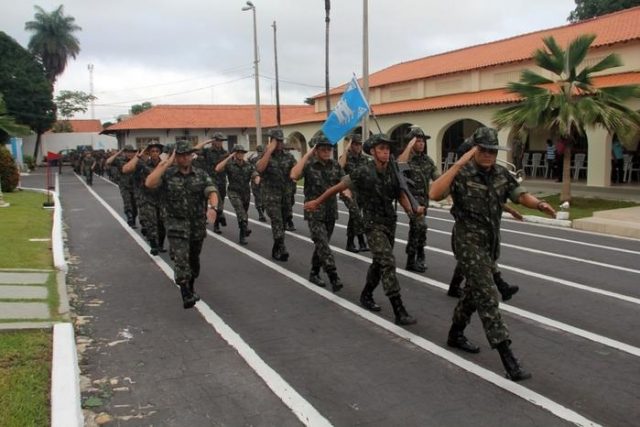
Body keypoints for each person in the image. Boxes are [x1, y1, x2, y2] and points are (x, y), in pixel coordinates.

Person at [429, 127, 556, 381]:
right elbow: (434, 193)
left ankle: (455, 333)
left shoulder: (500, 173)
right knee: (487, 297)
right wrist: (459, 162)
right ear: (475, 150)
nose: (488, 155)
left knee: (472, 294)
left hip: (489, 243)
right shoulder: (462, 173)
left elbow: (519, 194)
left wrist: (539, 204)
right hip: (467, 242)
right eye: (484, 150)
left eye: (492, 151)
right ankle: (509, 360)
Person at [305, 134, 426, 325]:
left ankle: (366, 294)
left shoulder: (393, 170)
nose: (386, 152)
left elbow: (400, 193)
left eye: (387, 149)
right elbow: (338, 187)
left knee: (379, 263)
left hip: (389, 222)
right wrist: (317, 202)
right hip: (372, 223)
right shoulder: (363, 171)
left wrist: (412, 210)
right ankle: (399, 309)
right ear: (372, 151)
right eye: (381, 148)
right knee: (387, 261)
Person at [145, 141, 219, 309]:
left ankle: (190, 285)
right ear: (175, 157)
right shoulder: (167, 174)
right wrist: (165, 164)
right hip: (175, 224)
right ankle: (185, 291)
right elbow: (149, 183)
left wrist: (213, 207)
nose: (185, 158)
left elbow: (211, 190)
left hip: (196, 225)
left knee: (193, 261)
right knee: (181, 258)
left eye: (187, 154)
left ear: (191, 156)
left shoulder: (200, 174)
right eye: (180, 155)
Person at [291, 133, 346, 292]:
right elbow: (294, 175)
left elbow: (344, 183)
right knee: (322, 243)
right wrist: (307, 154)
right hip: (314, 212)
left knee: (322, 245)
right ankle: (333, 275)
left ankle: (314, 272)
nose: (327, 152)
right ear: (316, 150)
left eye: (329, 149)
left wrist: (347, 193)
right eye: (323, 149)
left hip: (330, 212)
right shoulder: (308, 164)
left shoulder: (335, 165)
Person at [397, 128, 439, 272]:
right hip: (410, 200)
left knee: (418, 229)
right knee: (420, 226)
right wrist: (408, 147)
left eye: (423, 141)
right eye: (418, 141)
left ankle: (416, 257)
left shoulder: (427, 160)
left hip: (423, 201)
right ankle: (416, 257)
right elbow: (399, 166)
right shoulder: (406, 159)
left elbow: (437, 177)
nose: (421, 144)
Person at [256, 129, 297, 261]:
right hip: (271, 196)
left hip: (285, 195)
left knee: (283, 222)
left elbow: (297, 171)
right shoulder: (265, 155)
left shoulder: (288, 157)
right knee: (277, 220)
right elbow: (259, 169)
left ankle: (276, 247)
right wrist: (269, 151)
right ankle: (282, 248)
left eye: (281, 141)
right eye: (277, 141)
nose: (279, 143)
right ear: (271, 141)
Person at [122, 143, 167, 255]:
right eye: (152, 151)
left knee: (162, 223)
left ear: (160, 153)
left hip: (161, 197)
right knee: (150, 221)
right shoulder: (142, 164)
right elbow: (126, 169)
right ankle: (153, 244)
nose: (155, 153)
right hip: (147, 197)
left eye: (157, 151)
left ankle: (160, 245)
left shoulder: (164, 164)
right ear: (149, 153)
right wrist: (138, 156)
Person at [215, 144, 257, 245]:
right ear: (234, 154)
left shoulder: (248, 165)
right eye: (238, 152)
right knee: (240, 210)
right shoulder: (230, 165)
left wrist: (257, 178)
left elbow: (255, 174)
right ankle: (245, 229)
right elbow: (218, 168)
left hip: (245, 193)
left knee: (244, 214)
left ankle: (242, 235)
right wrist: (229, 157)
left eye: (242, 153)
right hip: (233, 192)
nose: (241, 154)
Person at [338, 133, 370, 253]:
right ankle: (361, 241)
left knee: (354, 216)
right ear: (351, 145)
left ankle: (350, 243)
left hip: (361, 192)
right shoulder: (345, 157)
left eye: (359, 144)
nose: (358, 146)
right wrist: (346, 150)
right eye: (355, 144)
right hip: (348, 191)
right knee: (356, 213)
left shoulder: (364, 159)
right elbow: (339, 167)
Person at [193, 132, 229, 234]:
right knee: (216, 201)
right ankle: (218, 218)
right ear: (213, 141)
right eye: (218, 140)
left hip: (221, 180)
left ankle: (216, 223)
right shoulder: (207, 151)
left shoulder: (225, 153)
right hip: (210, 180)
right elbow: (194, 150)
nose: (220, 142)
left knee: (221, 201)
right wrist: (207, 142)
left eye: (221, 141)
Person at [106, 145, 139, 228]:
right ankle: (130, 218)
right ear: (124, 153)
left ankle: (133, 219)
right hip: (124, 186)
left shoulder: (136, 160)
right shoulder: (120, 160)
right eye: (127, 152)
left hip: (135, 186)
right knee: (127, 202)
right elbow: (108, 161)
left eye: (131, 152)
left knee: (135, 206)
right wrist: (118, 153)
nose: (129, 154)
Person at [249, 145, 267, 222]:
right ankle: (261, 213)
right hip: (258, 181)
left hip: (258, 181)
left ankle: (261, 213)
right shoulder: (265, 159)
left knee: (259, 198)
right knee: (261, 197)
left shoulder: (253, 159)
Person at [283, 142, 298, 231]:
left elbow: (296, 168)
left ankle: (286, 219)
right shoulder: (279, 159)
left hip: (290, 184)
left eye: (288, 150)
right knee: (286, 204)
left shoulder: (291, 158)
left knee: (291, 202)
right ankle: (288, 221)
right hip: (281, 186)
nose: (287, 151)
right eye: (286, 149)